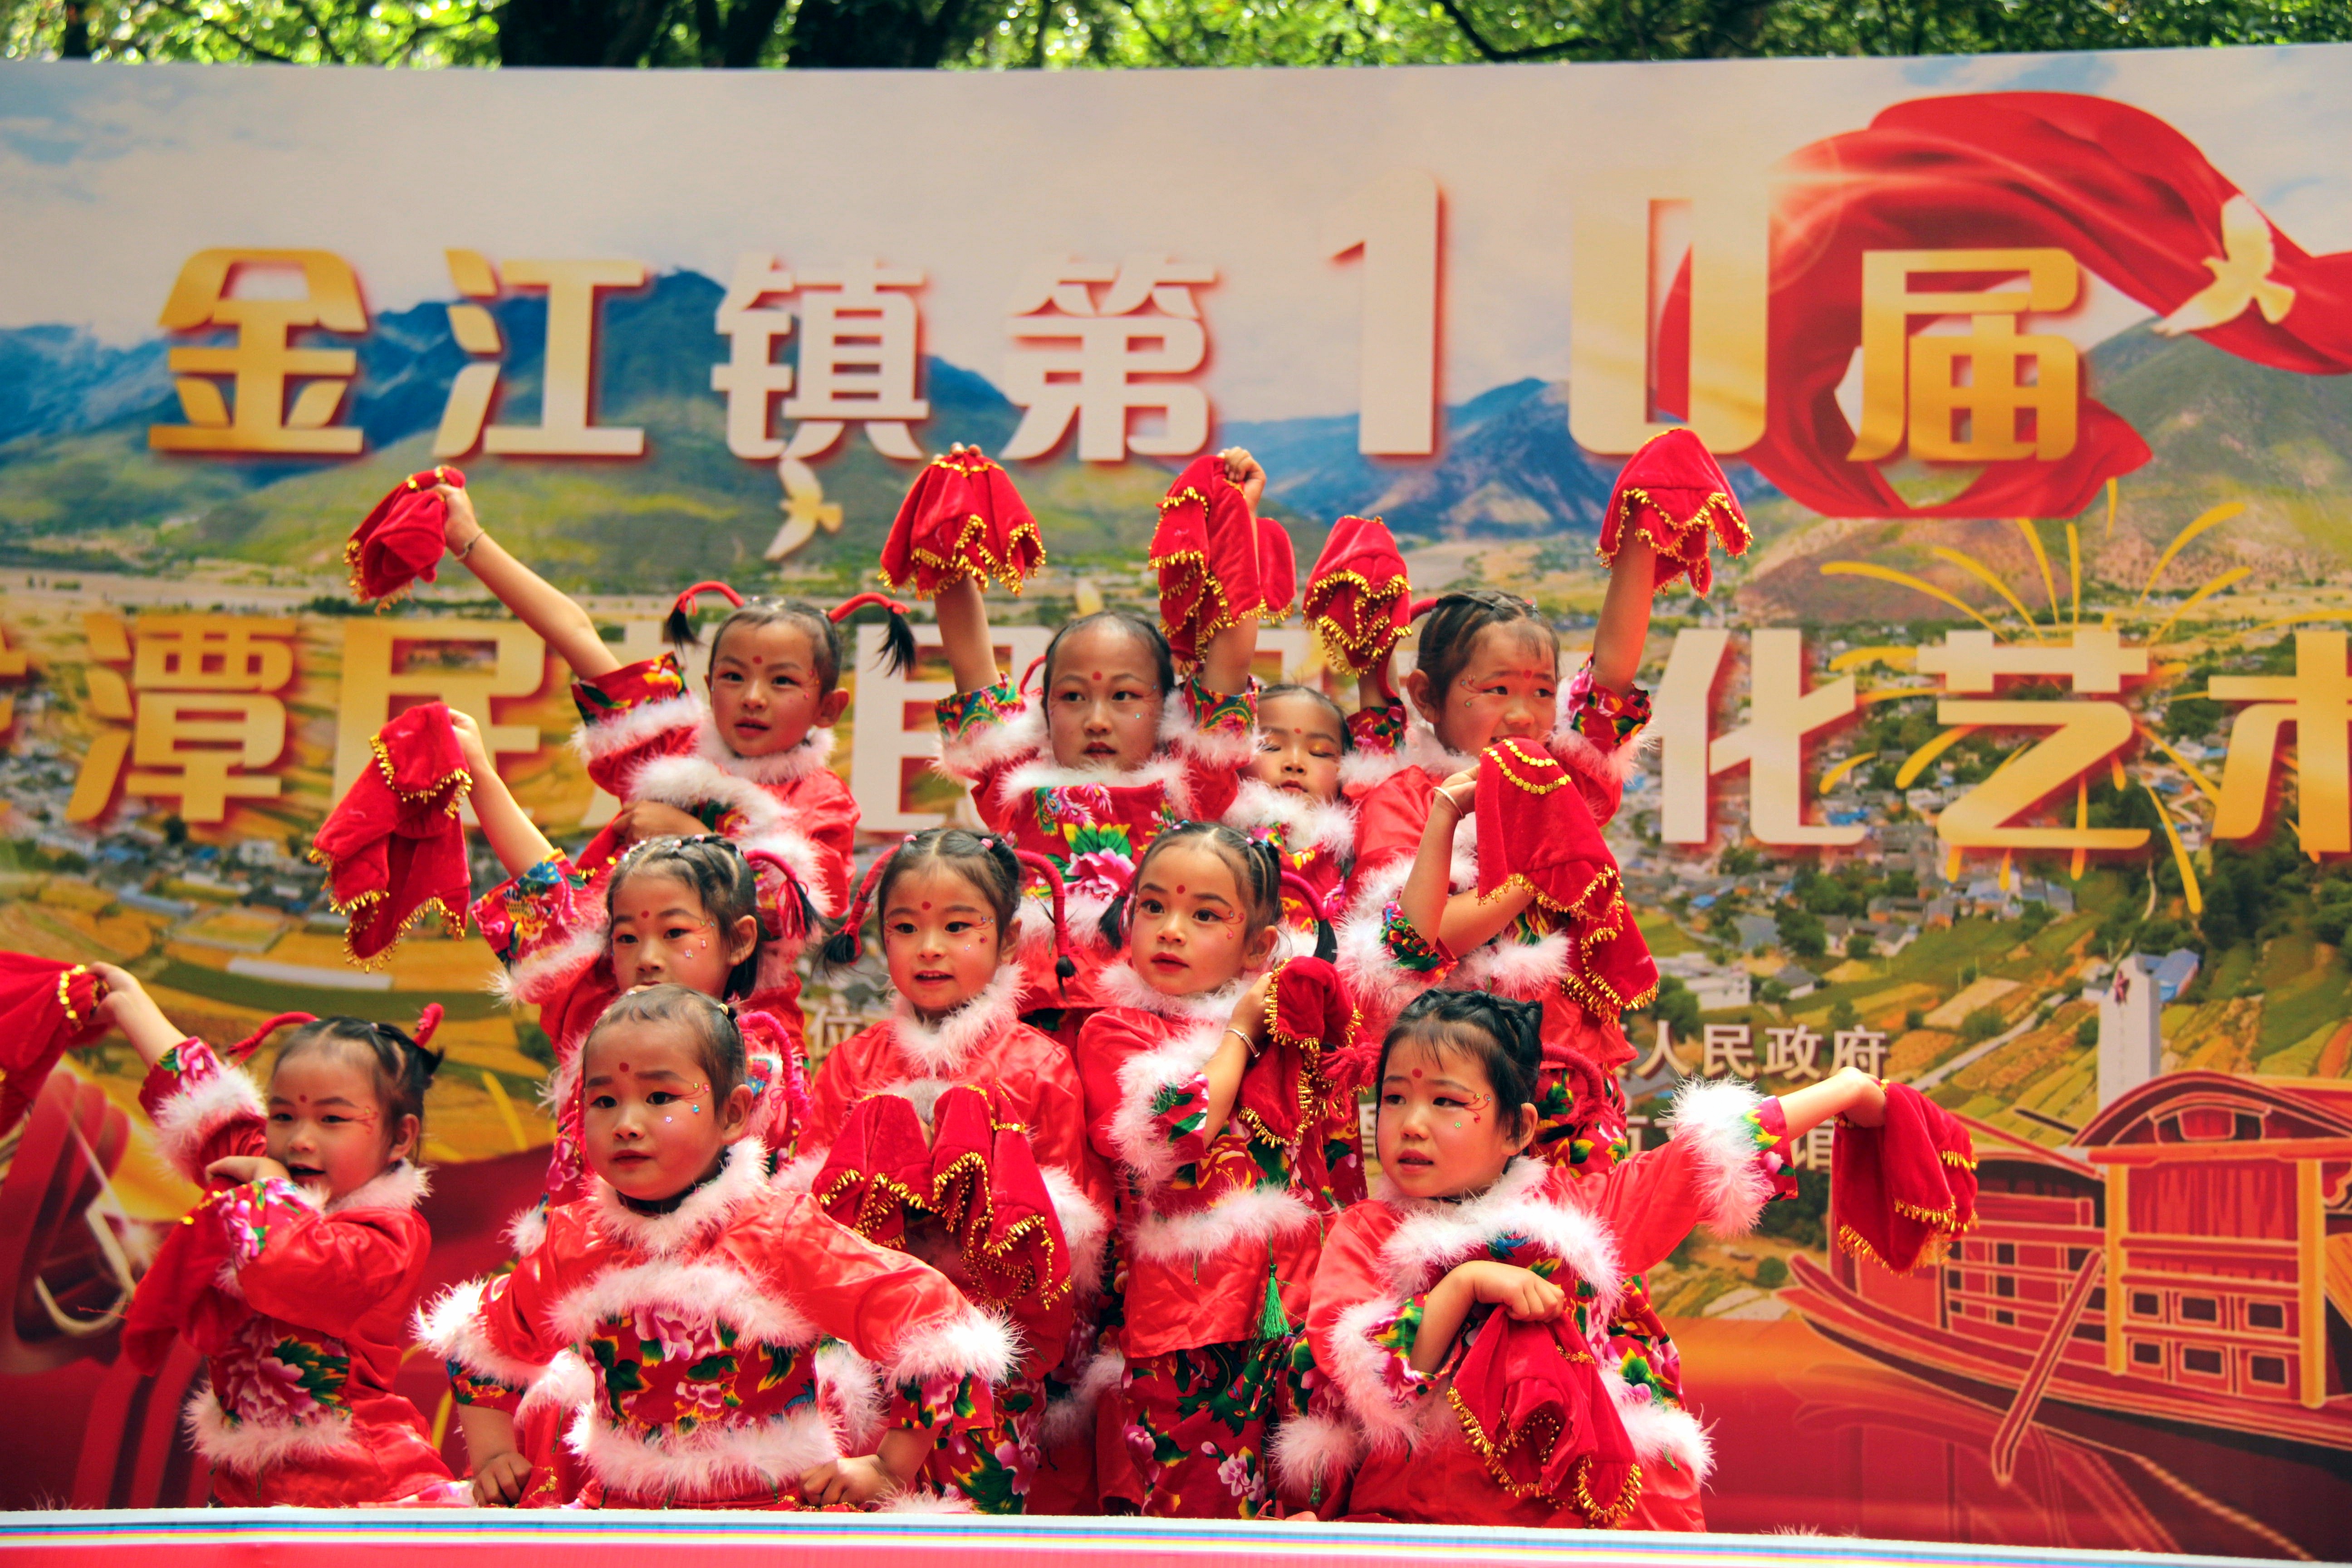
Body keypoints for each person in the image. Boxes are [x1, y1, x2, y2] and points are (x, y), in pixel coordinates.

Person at [1278, 990, 1886, 1529]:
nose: (1411, 1124)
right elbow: (1372, 1375)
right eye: (1394, 1098)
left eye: (1445, 1102)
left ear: (1517, 1130)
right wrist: (1466, 1284)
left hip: (1565, 1525)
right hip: (1422, 1518)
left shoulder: (1576, 1216)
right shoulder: (1367, 1234)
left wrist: (1846, 1091)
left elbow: (1698, 1162)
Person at [419, 985, 1014, 1511]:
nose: (626, 1123)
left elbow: (932, 1321)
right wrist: (494, 1455)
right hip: (624, 1519)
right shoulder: (579, 1242)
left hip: (772, 1517)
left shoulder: (779, 1235)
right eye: (604, 1101)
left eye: (659, 1098)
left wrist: (888, 1467)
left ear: (732, 1114)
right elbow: (486, 1339)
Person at [432, 482, 893, 1034]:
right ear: (709, 685)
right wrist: (469, 540)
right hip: (617, 1004)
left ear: (828, 708)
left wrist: (686, 835)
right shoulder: (670, 746)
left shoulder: (821, 801)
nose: (753, 697)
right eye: (733, 676)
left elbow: (795, 910)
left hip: (737, 1026)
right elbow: (577, 634)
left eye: (782, 681)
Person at [797, 828, 1113, 1514]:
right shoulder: (852, 1065)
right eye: (906, 928)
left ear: (1008, 942)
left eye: (958, 926)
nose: (930, 948)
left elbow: (1073, 1239)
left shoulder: (1039, 1066)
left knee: (977, 1529)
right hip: (871, 1347)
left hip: (995, 1351)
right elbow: (810, 1223)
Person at [86, 964, 456, 1507]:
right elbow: (209, 1109)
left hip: (361, 1488)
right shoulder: (274, 1179)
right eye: (283, 1116)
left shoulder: (388, 1235)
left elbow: (288, 1269)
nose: (300, 1139)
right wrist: (130, 1005)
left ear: (400, 1137)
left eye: (332, 1120)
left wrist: (267, 1185)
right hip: (247, 1486)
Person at [917, 449, 1266, 1023]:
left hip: (1155, 1025)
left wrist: (1235, 518)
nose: (1097, 719)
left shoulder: (1189, 780)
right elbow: (969, 656)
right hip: (1032, 1022)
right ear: (1044, 710)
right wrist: (952, 514)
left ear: (1168, 708)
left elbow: (1231, 646)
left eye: (1125, 697)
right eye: (1074, 697)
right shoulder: (1017, 781)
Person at [1078, 823, 1362, 1517]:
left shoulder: (1291, 1031)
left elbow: (1339, 1170)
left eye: (1205, 915)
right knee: (1195, 1524)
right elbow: (1180, 1131)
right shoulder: (1115, 1032)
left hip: (1298, 1312)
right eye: (1153, 906)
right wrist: (1240, 1031)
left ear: (1258, 947)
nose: (1171, 930)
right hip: (1185, 1320)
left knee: (1307, 1520)